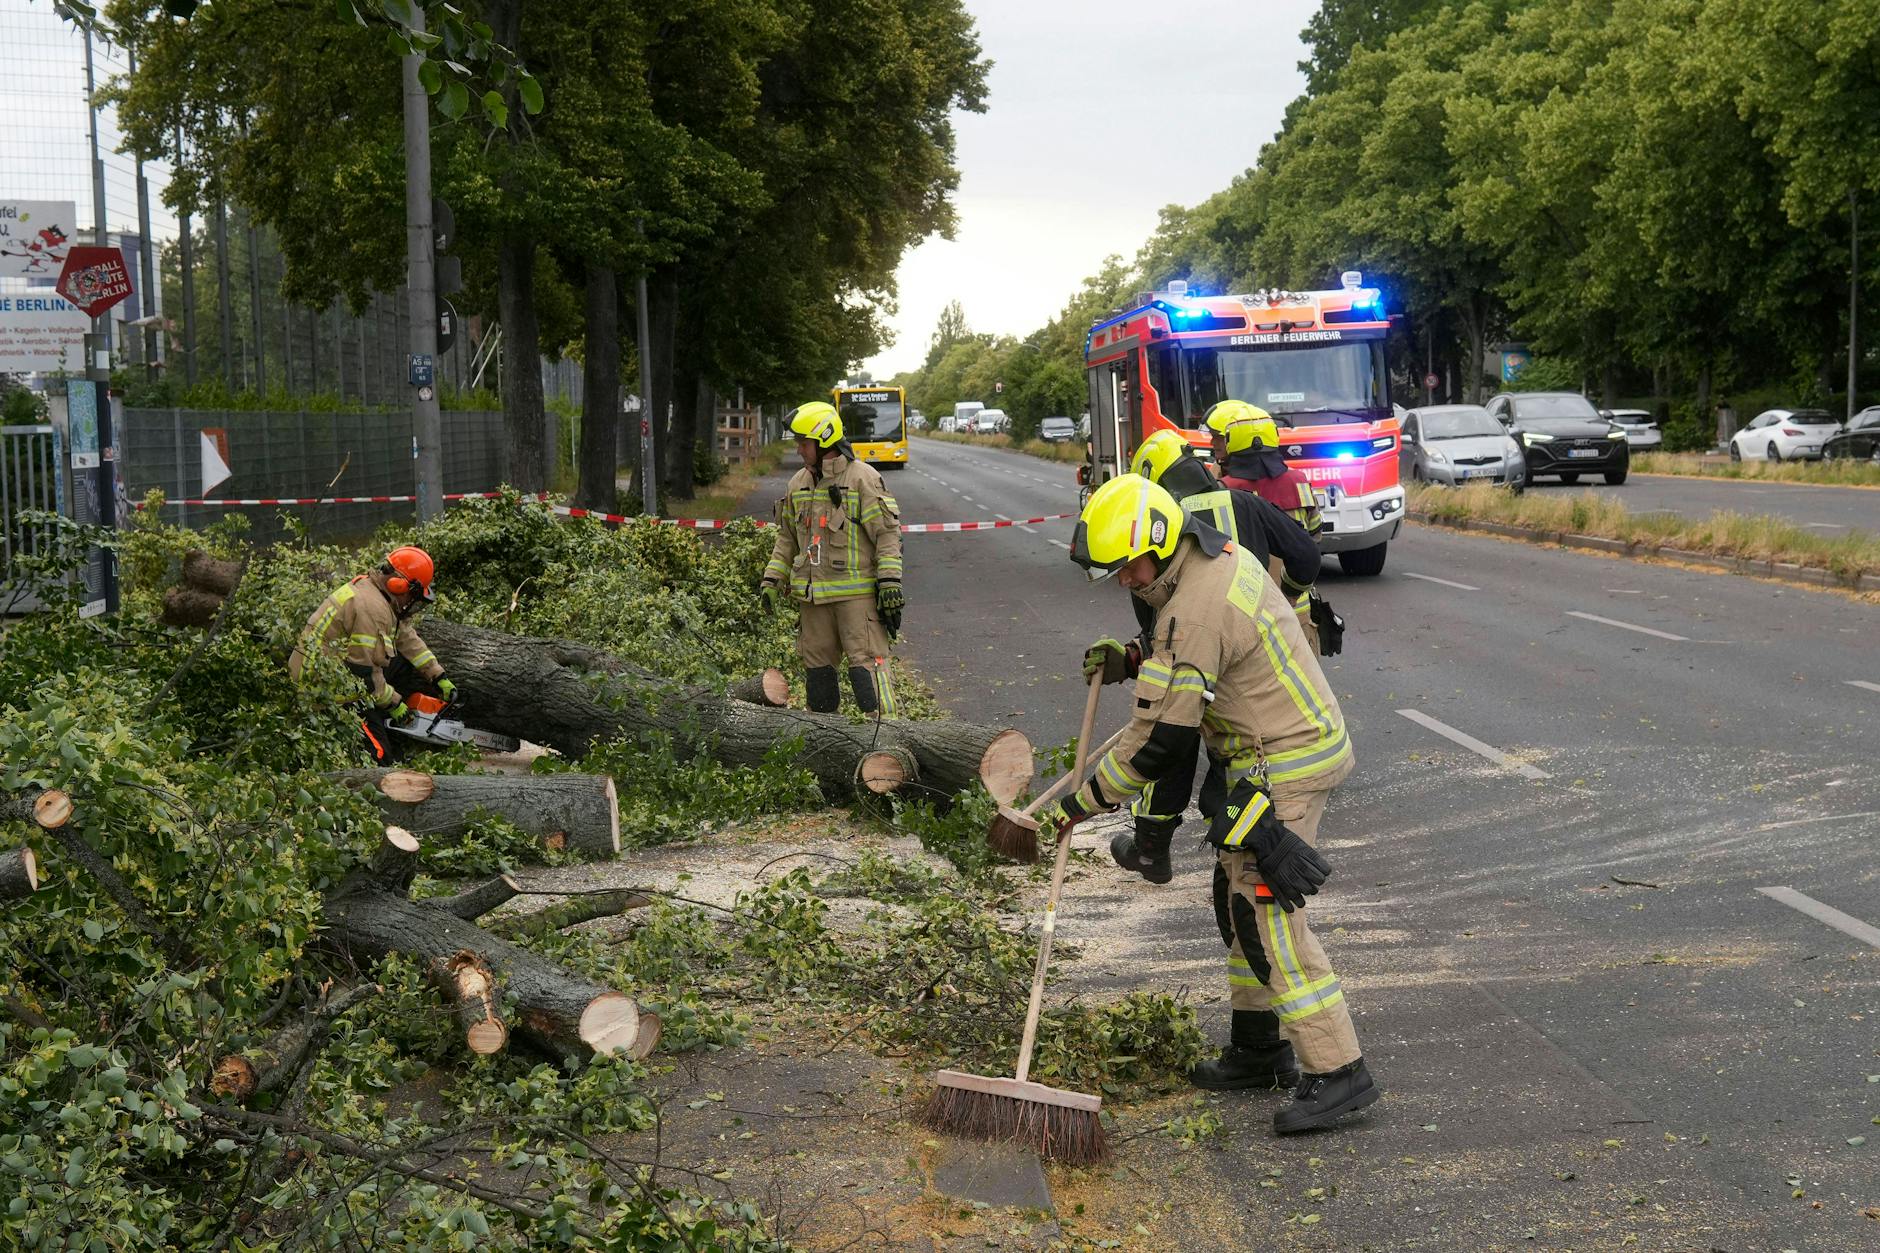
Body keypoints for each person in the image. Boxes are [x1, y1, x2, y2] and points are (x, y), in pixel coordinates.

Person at [1042, 473, 1379, 1135]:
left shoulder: (1194, 608)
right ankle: (1259, 1047)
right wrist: (1138, 655)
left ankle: (1339, 1069)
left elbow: (1159, 743)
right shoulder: (1210, 559)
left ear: (1162, 541)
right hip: (1267, 750)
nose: (1124, 581)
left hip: (1285, 758)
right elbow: (1196, 653)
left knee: (1268, 916)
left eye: (1127, 567)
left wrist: (1077, 805)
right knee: (1236, 904)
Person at [1089, 429, 1320, 885]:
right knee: (1233, 784)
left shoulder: (1155, 538)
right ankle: (1235, 858)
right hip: (1267, 672)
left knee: (1171, 733)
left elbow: (1162, 640)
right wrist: (1283, 601)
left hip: (1204, 670)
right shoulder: (1244, 503)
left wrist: (1137, 656)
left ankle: (1154, 845)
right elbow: (1307, 557)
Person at [760, 401, 904, 714]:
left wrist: (890, 580)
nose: (798, 449)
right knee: (819, 683)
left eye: (803, 443)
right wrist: (773, 578)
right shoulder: (798, 484)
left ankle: (892, 742)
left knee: (868, 676)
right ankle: (829, 746)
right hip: (813, 604)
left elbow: (887, 534)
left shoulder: (862, 479)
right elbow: (787, 537)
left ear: (824, 441)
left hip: (857, 601)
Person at [289, 545, 453, 763]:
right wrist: (394, 703)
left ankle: (383, 714)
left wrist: (437, 675)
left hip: (341, 670)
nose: (412, 603)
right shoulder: (372, 609)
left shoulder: (377, 592)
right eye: (413, 596)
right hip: (325, 692)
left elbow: (405, 636)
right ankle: (381, 723)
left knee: (403, 662)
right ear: (400, 585)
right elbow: (363, 671)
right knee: (380, 756)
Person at [1205, 400, 1334, 654]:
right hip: (1297, 610)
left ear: (1233, 442)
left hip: (1246, 614)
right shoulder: (1298, 482)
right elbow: (1315, 536)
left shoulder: (1223, 490)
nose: (1213, 443)